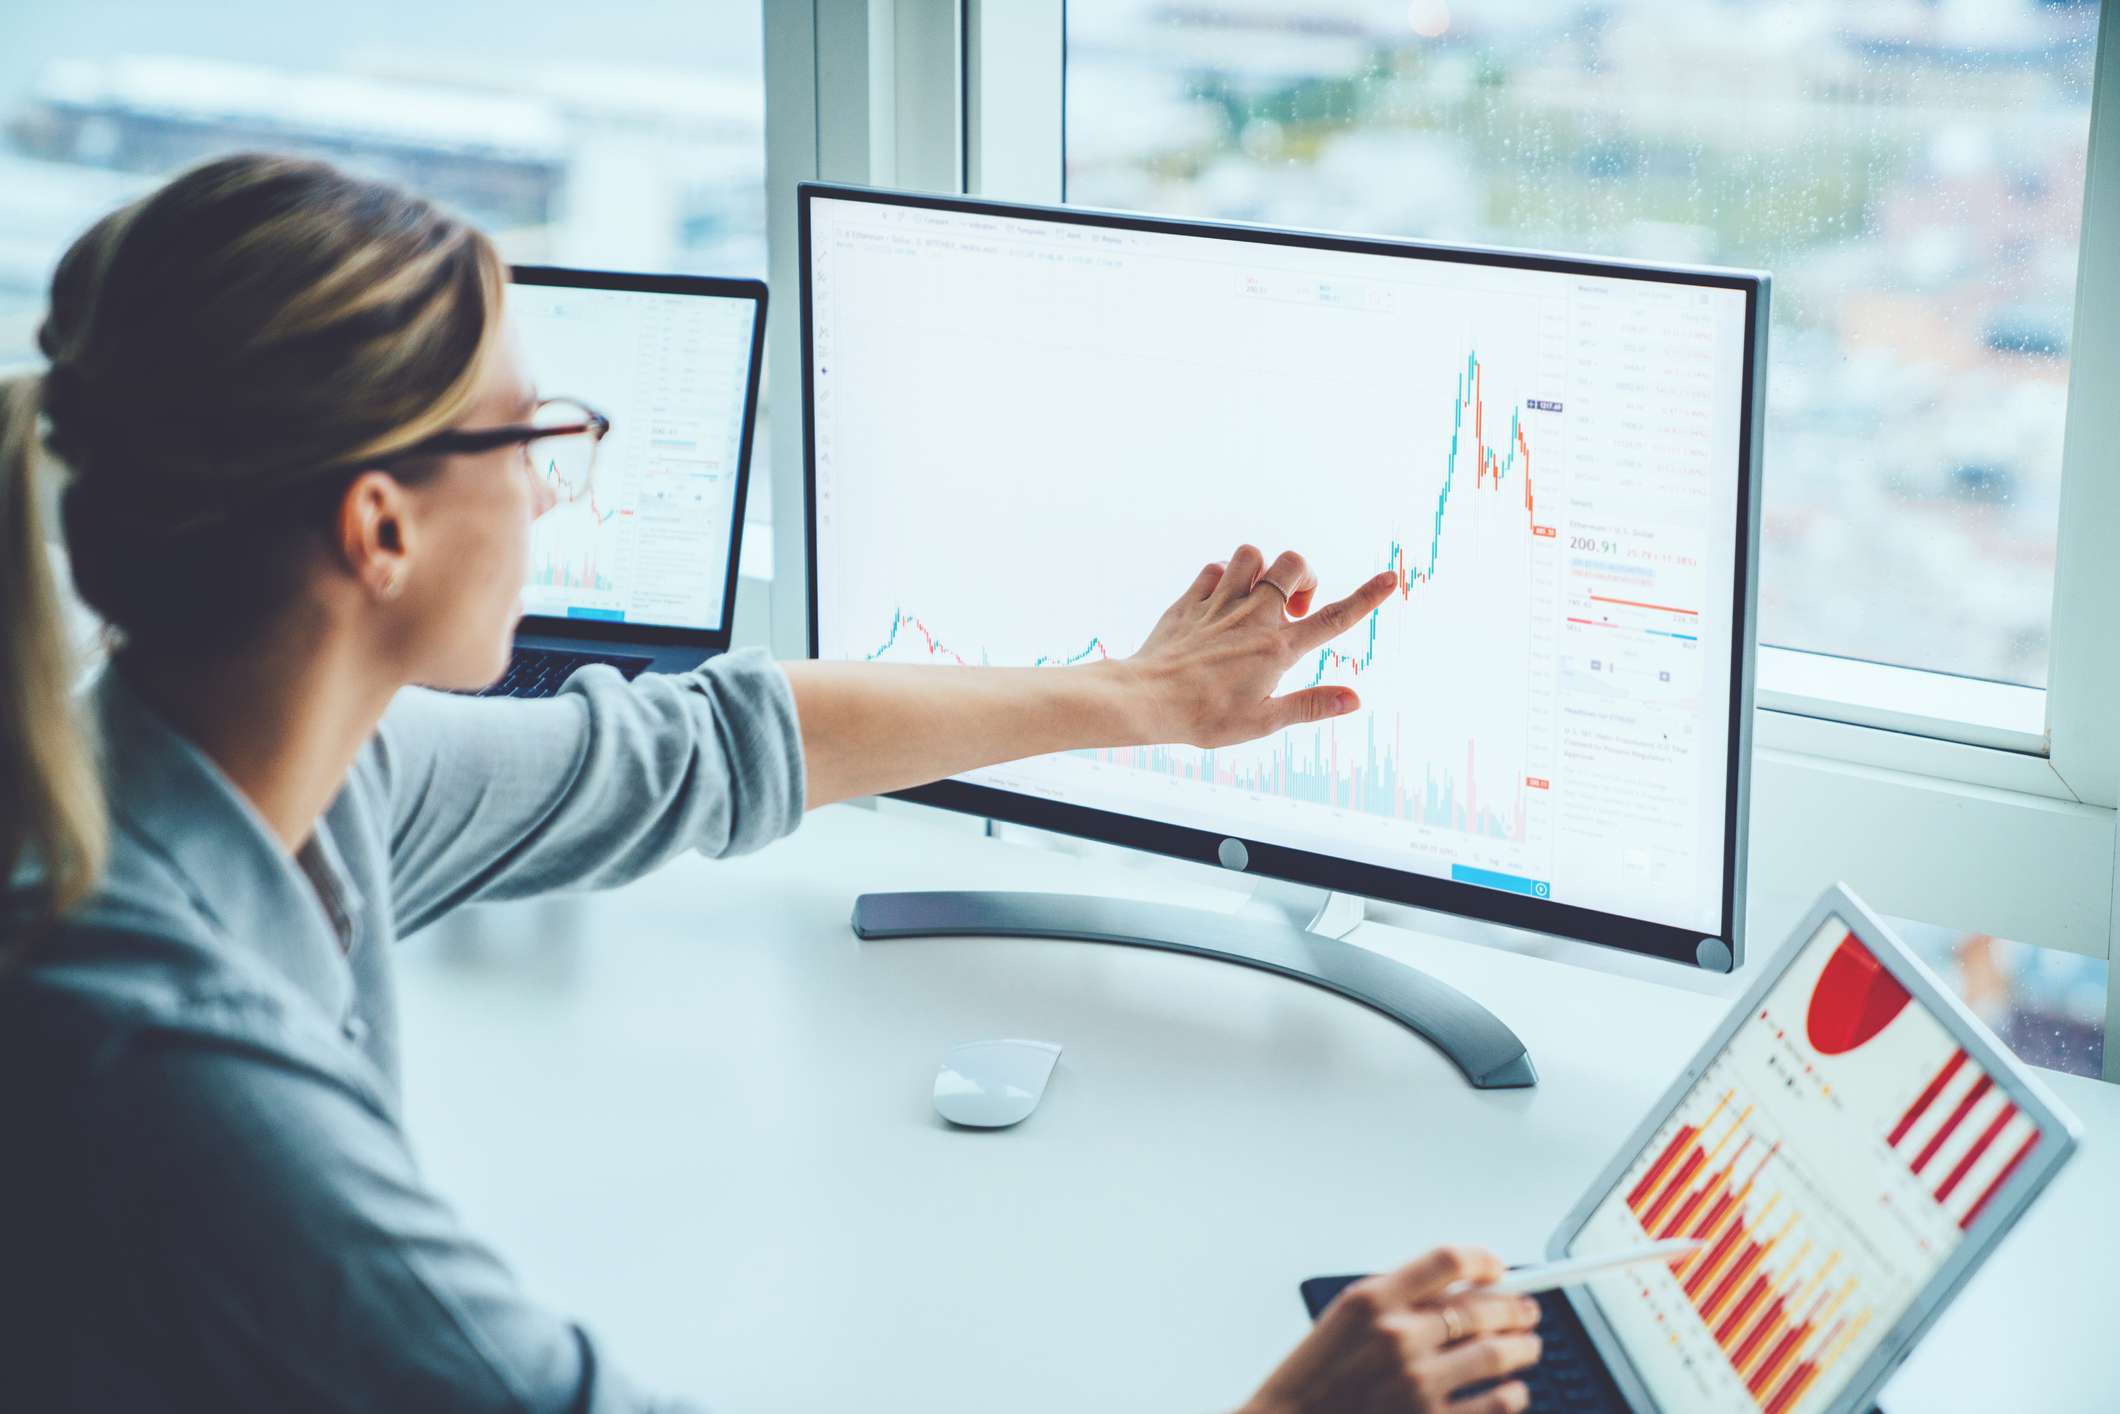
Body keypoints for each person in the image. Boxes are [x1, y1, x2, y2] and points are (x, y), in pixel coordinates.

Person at [0, 154, 1543, 1413]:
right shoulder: (172, 1058)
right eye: (528, 438)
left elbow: (705, 746)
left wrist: (1138, 696)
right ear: (378, 529)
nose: (550, 484)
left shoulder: (251, 770)